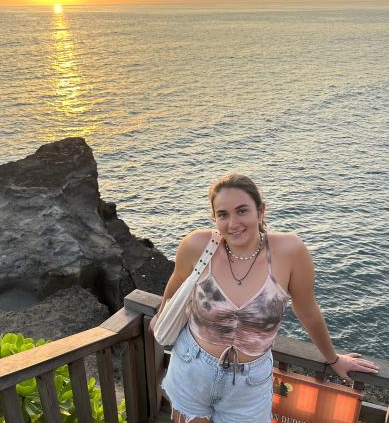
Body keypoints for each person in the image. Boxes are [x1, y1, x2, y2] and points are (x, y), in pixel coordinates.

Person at [149, 173, 378, 423]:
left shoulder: (289, 251)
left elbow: (308, 311)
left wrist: (333, 358)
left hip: (250, 383)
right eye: (223, 214)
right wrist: (161, 314)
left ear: (260, 211)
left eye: (242, 211)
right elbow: (178, 280)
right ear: (215, 218)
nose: (233, 223)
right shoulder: (197, 245)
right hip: (191, 367)